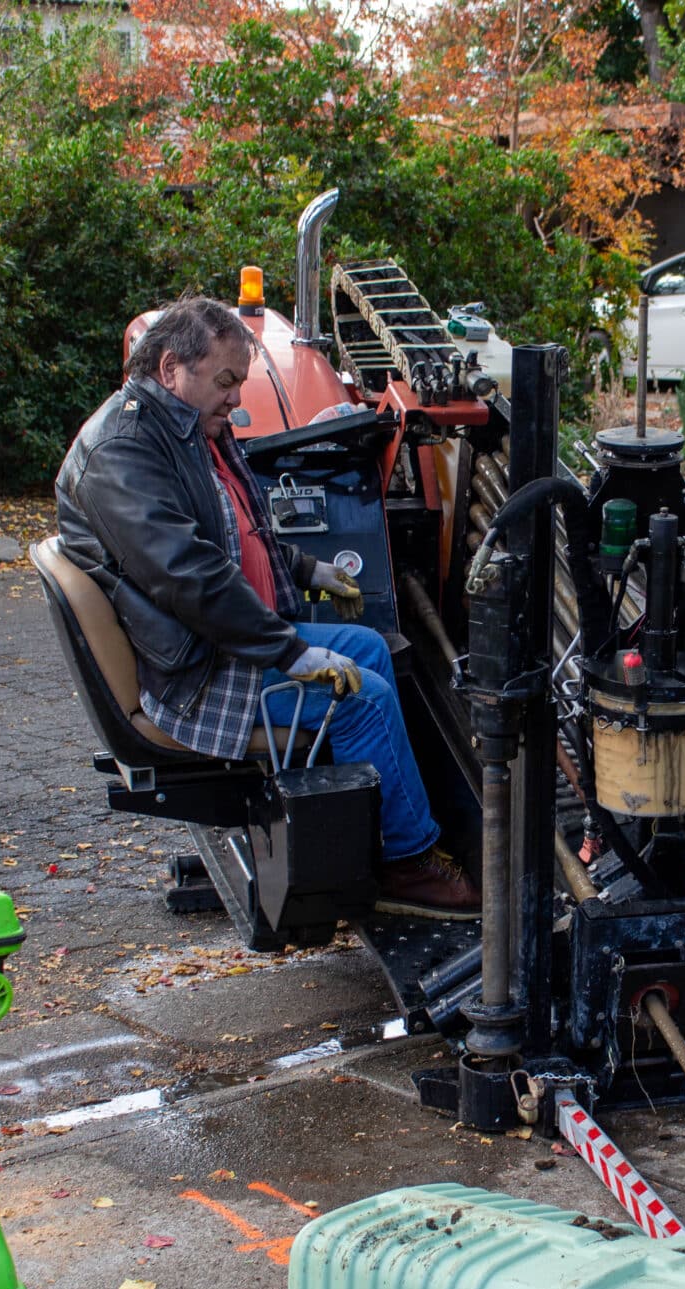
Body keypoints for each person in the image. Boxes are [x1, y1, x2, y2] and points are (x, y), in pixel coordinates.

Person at [55, 295, 477, 909]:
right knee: (364, 697)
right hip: (191, 677)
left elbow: (238, 527)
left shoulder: (181, 425)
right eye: (226, 382)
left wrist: (310, 569)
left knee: (369, 651)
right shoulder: (121, 453)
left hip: (212, 643)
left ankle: (367, 835)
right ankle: (406, 867)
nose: (236, 399)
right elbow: (191, 577)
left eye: (240, 383)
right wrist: (289, 651)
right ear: (173, 367)